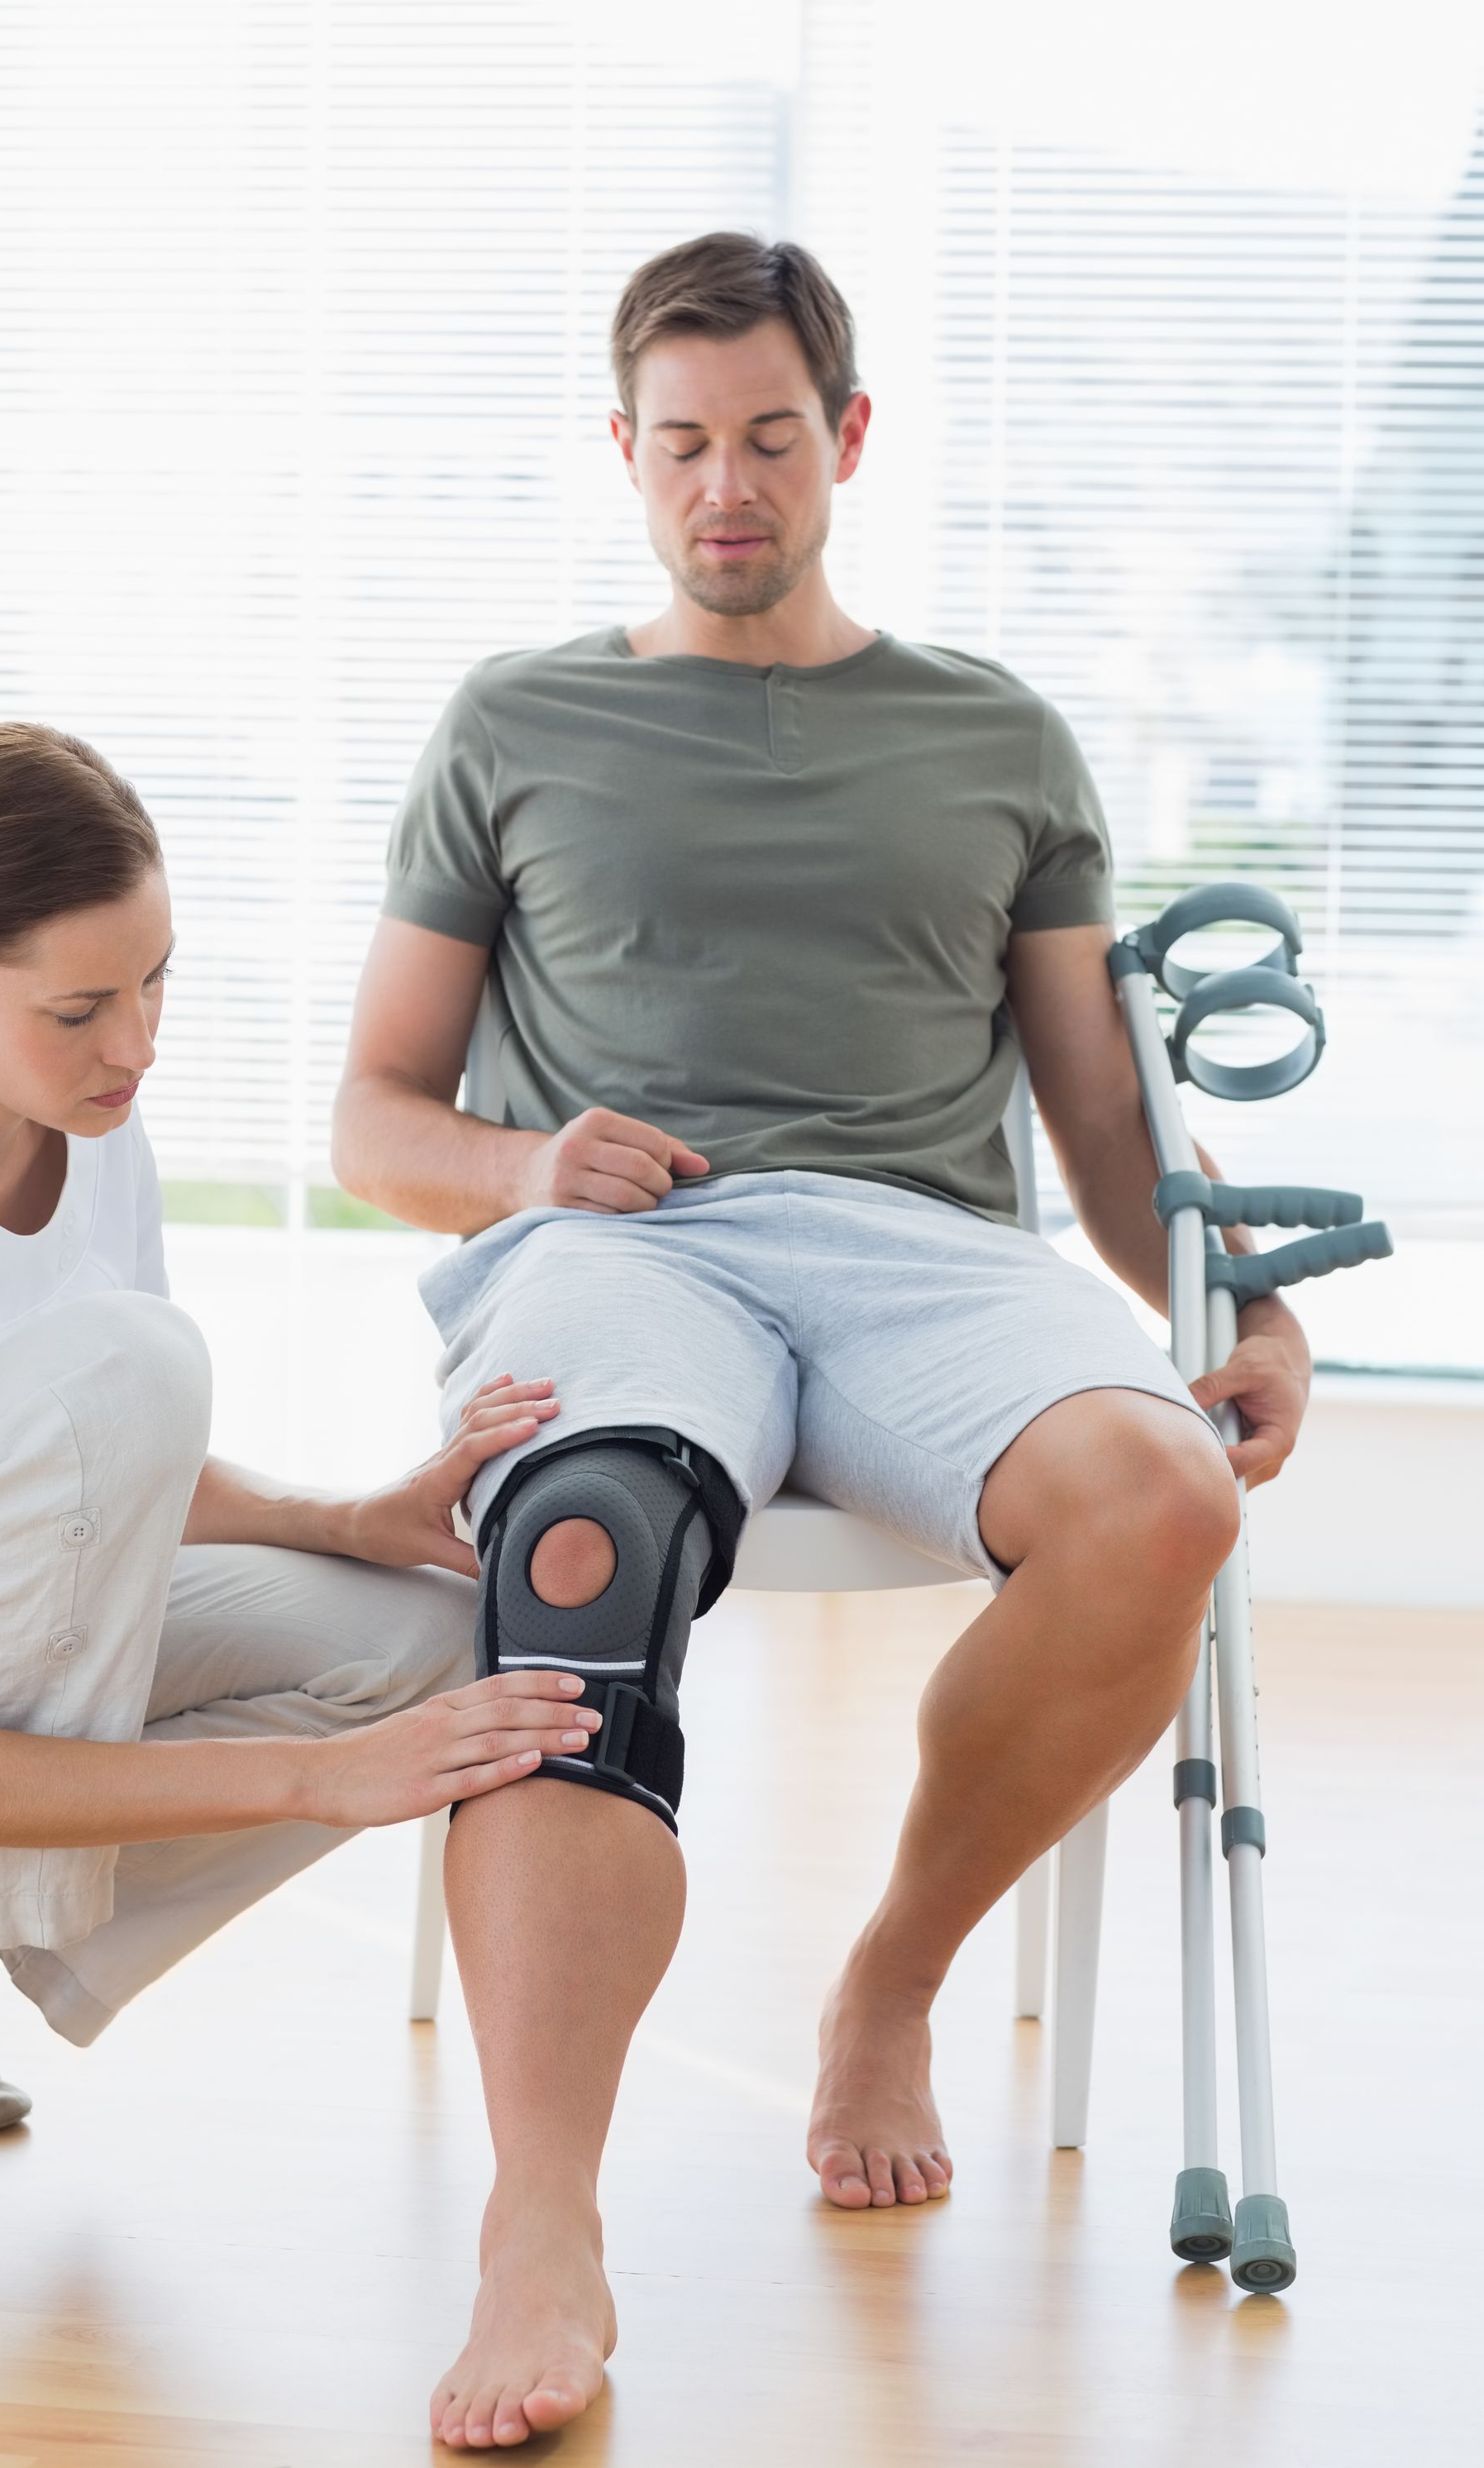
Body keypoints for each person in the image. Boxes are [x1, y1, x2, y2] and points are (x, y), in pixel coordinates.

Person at [333, 232, 1313, 2451]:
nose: (727, 485)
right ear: (625, 453)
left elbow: (1094, 1127)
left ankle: (889, 1976)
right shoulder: (516, 720)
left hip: (918, 1250)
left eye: (771, 435)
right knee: (580, 1546)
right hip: (627, 1244)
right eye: (681, 444)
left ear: (848, 438)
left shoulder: (997, 737)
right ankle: (544, 2222)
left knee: (1160, 1496)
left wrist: (1236, 1315)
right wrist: (521, 1171)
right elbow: (371, 1116)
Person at [0, 721, 601, 2223]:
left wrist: (347, 1515)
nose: (139, 1046)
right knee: (138, 1356)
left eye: (158, 981)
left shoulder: (91, 1125)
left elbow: (89, 1469)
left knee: (425, 1640)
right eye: (83, 1006)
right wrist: (316, 1780)